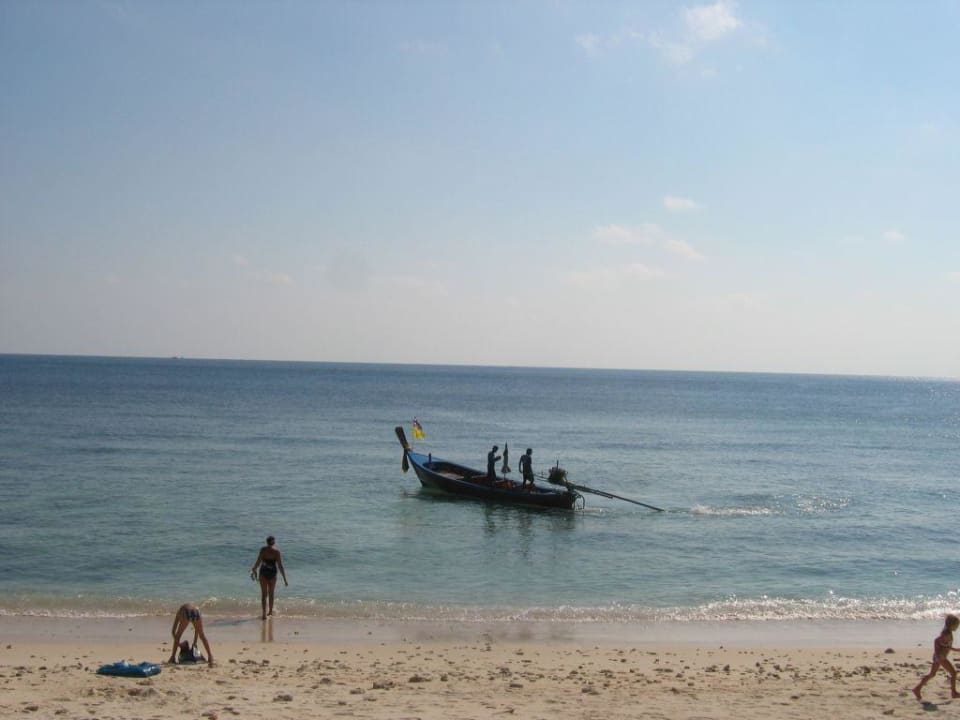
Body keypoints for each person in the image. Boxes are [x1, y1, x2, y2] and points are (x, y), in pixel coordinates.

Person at [914, 614, 960, 700]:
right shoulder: (946, 633)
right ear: (952, 625)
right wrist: (938, 653)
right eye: (957, 625)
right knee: (953, 673)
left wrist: (955, 649)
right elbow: (936, 641)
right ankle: (954, 693)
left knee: (932, 674)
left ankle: (917, 688)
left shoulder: (947, 632)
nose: (957, 627)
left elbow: (946, 646)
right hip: (941, 657)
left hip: (938, 657)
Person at [250, 535, 288, 620]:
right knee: (271, 593)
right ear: (274, 542)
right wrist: (285, 579)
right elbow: (280, 566)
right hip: (272, 574)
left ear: (266, 542)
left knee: (264, 595)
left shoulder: (263, 550)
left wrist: (254, 569)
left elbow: (258, 561)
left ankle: (264, 614)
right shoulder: (277, 552)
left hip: (263, 573)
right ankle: (270, 612)